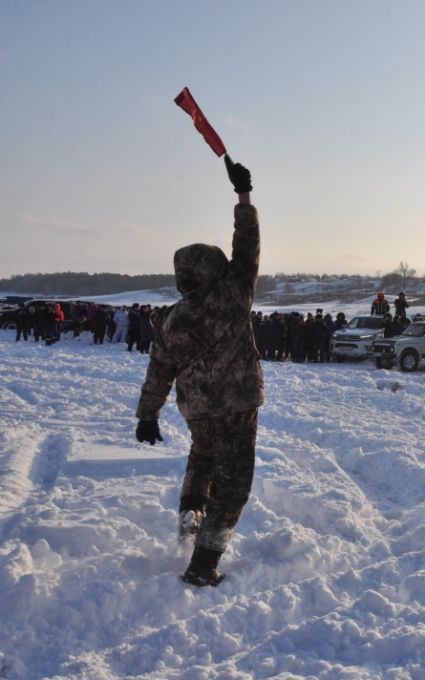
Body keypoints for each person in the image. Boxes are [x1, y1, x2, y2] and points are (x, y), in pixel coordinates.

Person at [134, 156, 263, 588]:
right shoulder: (233, 293)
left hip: (198, 411)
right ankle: (204, 563)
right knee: (233, 486)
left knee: (203, 454)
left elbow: (158, 371)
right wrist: (243, 195)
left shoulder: (171, 318)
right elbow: (248, 244)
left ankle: (191, 510)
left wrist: (147, 415)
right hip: (238, 405)